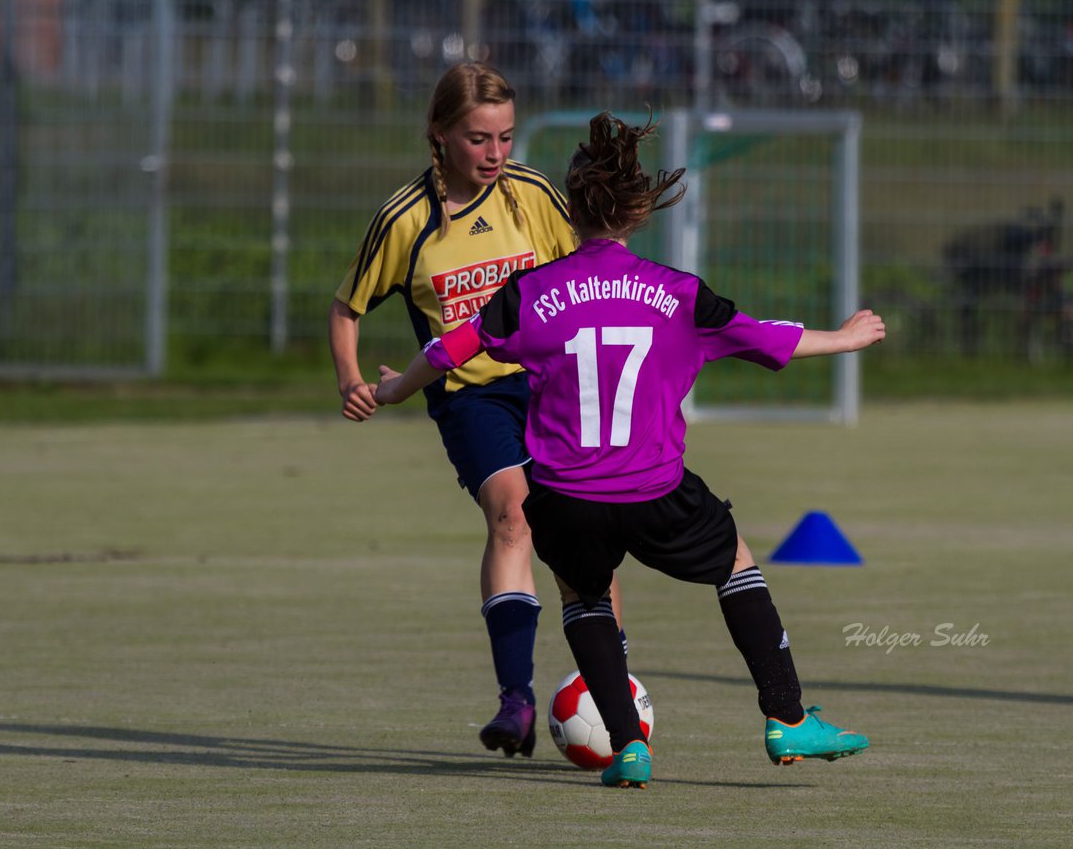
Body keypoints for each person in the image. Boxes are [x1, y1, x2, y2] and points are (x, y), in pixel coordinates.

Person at [370, 111, 885, 788]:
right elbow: (769, 339)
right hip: (655, 491)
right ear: (637, 213)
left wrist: (397, 389)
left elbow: (448, 349)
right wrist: (845, 337)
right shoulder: (678, 294)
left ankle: (626, 746)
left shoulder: (529, 294)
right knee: (734, 564)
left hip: (563, 495)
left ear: (570, 212)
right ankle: (787, 717)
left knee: (584, 596)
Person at [328, 62, 627, 760]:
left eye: (506, 137)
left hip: (552, 382)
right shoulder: (405, 220)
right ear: (439, 135)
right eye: (478, 139)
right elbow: (347, 308)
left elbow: (583, 271)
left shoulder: (531, 195)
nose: (495, 154)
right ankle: (516, 699)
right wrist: (350, 379)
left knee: (582, 542)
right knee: (513, 513)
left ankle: (611, 693)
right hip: (470, 394)